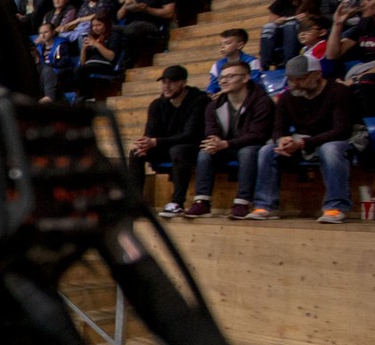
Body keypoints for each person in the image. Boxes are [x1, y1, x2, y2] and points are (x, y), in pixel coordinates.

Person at [237, 55, 355, 223]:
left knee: (330, 149)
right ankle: (265, 206)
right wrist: (282, 140)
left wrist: (302, 143)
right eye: (291, 79)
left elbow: (341, 130)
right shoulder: (287, 96)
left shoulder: (339, 92)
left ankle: (335, 207)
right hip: (304, 140)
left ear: (317, 74)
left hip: (337, 139)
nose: (295, 84)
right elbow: (278, 129)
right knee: (267, 150)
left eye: (301, 79)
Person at [185, 60, 275, 217]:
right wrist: (214, 141)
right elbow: (211, 130)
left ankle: (242, 202)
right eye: (221, 78)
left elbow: (258, 135)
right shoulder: (213, 105)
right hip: (225, 146)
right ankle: (202, 202)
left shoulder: (262, 101)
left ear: (246, 78)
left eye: (230, 76)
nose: (224, 81)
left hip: (253, 145)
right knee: (205, 152)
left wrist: (225, 143)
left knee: (247, 152)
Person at [130, 64, 209, 216]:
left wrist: (155, 142)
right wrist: (145, 144)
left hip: (193, 147)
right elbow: (150, 134)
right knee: (136, 153)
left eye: (172, 82)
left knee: (178, 149)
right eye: (164, 82)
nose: (167, 86)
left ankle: (177, 202)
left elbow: (191, 135)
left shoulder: (200, 101)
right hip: (166, 146)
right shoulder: (157, 105)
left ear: (183, 83)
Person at [325, 0, 375, 121]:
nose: (363, 4)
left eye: (369, 0)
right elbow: (332, 54)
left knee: (367, 81)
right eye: (362, 0)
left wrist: (355, 79)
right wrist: (338, 24)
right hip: (366, 72)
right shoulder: (365, 24)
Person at [116, 0, 178, 67]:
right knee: (112, 30)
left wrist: (148, 9)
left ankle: (128, 64)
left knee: (133, 28)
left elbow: (169, 13)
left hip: (153, 25)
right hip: (133, 24)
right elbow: (119, 16)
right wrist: (126, 4)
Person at [260, 0, 317, 69]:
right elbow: (271, 22)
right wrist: (277, 22)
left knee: (290, 25)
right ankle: (265, 62)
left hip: (303, 28)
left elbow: (321, 15)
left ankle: (289, 60)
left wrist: (308, 17)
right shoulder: (280, 3)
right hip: (282, 34)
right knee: (268, 27)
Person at [206, 28, 262, 93]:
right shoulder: (216, 65)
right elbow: (213, 86)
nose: (222, 46)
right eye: (221, 44)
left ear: (240, 45)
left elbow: (254, 83)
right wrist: (210, 94)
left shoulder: (252, 62)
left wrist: (224, 93)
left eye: (227, 43)